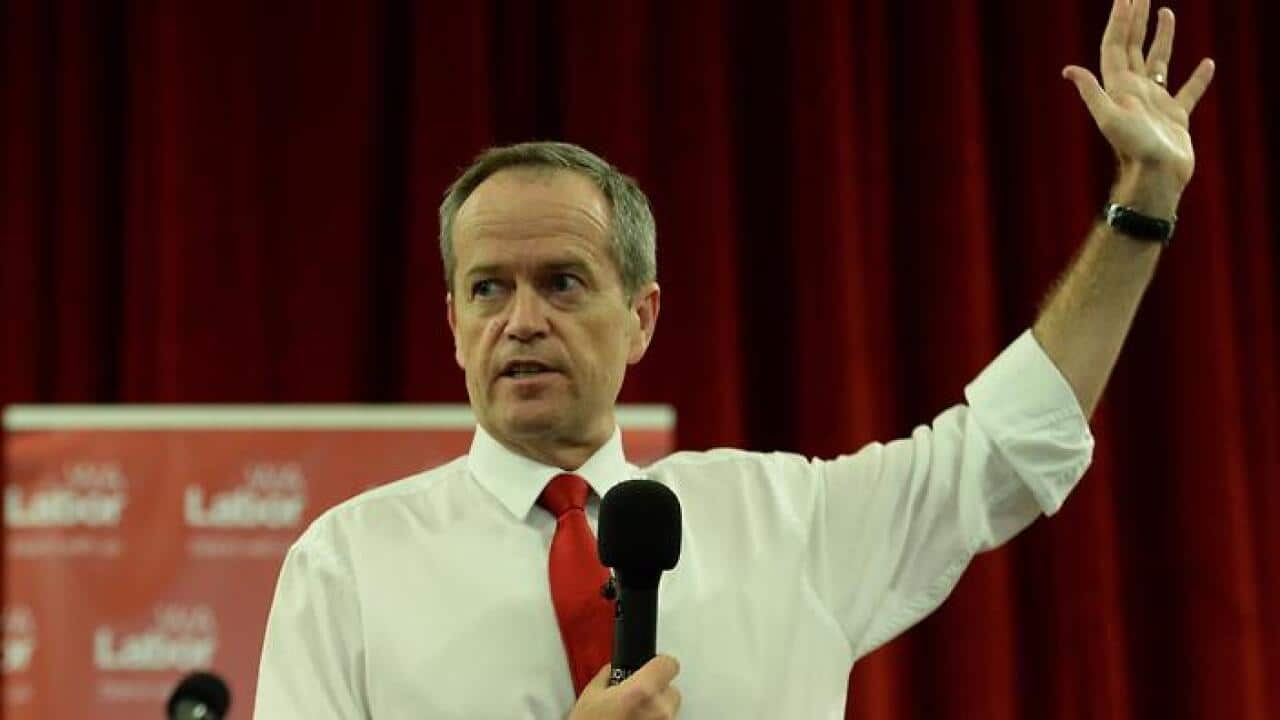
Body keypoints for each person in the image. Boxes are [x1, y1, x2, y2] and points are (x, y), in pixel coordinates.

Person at [253, 1, 1215, 717]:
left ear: (644, 317)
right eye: (488, 289)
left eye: (563, 282)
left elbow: (1008, 447)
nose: (522, 320)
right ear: (453, 323)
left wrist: (1143, 205)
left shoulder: (787, 523)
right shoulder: (347, 568)